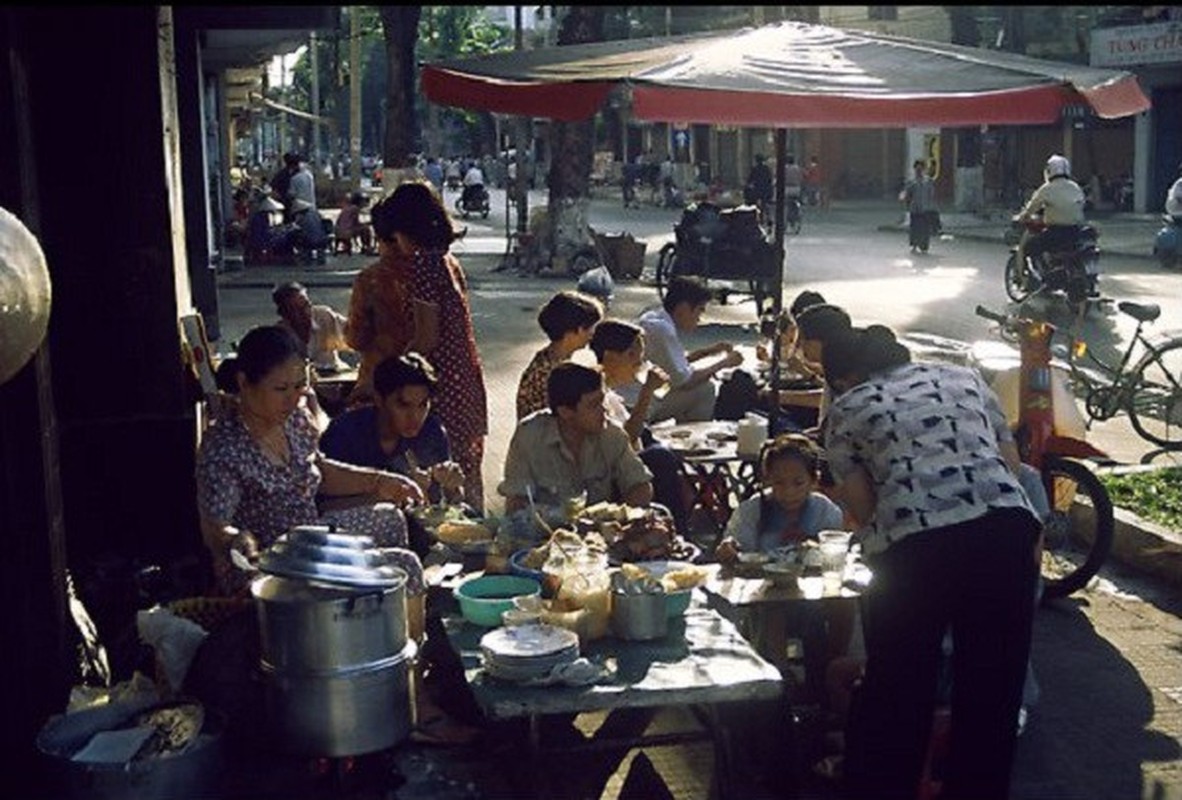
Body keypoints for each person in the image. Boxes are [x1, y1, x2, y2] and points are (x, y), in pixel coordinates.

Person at [820, 324, 1040, 800]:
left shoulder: (847, 408)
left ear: (845, 377)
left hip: (919, 550)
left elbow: (861, 506)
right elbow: (1012, 464)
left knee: (898, 691)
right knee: (991, 695)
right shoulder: (964, 378)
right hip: (1006, 534)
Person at [195, 325, 426, 607]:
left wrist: (381, 481)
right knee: (406, 567)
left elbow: (319, 470)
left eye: (299, 385)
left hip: (311, 539)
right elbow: (214, 528)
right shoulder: (224, 448)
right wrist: (236, 539)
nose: (293, 398)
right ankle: (396, 638)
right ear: (244, 382)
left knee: (391, 519)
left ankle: (378, 614)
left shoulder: (295, 419)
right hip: (271, 566)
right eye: (281, 388)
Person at [714, 432, 849, 700]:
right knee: (772, 606)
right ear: (766, 480)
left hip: (813, 596)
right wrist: (728, 550)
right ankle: (781, 678)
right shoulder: (753, 510)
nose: (788, 492)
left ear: (813, 481)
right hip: (766, 599)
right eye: (779, 483)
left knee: (844, 604)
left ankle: (832, 672)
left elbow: (834, 550)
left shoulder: (825, 511)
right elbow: (732, 546)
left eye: (798, 483)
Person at [384, 180, 489, 511]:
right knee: (469, 467)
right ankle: (478, 531)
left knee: (444, 472)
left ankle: (459, 537)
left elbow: (427, 338)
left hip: (444, 383)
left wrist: (395, 371)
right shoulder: (446, 259)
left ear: (405, 229)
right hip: (466, 378)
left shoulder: (424, 266)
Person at [500, 362, 653, 513]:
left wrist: (619, 516)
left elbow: (641, 486)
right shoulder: (529, 436)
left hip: (603, 532)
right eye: (594, 405)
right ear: (565, 412)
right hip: (546, 532)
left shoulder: (612, 434)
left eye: (602, 400)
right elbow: (516, 503)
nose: (604, 410)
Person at [321, 352, 464, 515]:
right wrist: (387, 494)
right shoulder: (345, 433)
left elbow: (453, 505)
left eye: (423, 405)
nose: (415, 417)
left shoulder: (431, 431)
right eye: (403, 405)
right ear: (379, 399)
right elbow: (322, 506)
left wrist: (452, 486)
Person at [588, 320, 692, 538]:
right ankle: (678, 534)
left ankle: (676, 529)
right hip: (607, 474)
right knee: (660, 458)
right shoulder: (595, 393)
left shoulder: (611, 391)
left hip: (626, 465)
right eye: (632, 355)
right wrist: (646, 393)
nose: (639, 362)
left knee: (657, 444)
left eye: (641, 355)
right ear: (609, 357)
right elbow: (624, 440)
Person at [636, 275, 743, 423]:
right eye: (699, 310)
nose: (699, 318)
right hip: (641, 402)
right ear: (684, 308)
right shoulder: (662, 330)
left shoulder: (654, 317)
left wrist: (708, 351)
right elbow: (684, 381)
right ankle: (694, 438)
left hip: (643, 390)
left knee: (702, 380)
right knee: (706, 388)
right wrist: (724, 364)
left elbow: (671, 366)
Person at [516, 290, 605, 420]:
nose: (593, 334)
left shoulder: (556, 359)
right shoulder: (547, 372)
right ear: (579, 329)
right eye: (591, 328)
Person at [1015, 153, 1087, 269]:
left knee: (1028, 247)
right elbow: (1081, 204)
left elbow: (1032, 207)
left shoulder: (1047, 188)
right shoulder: (1075, 187)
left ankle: (1042, 274)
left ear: (1049, 170)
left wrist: (1023, 217)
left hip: (1056, 232)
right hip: (1075, 231)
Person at [272, 281, 351, 373]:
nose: (305, 312)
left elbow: (355, 332)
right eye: (295, 310)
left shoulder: (324, 316)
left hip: (336, 374)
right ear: (283, 313)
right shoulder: (281, 335)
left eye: (306, 305)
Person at [901, 159, 938, 254]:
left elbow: (932, 195)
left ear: (924, 169)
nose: (919, 171)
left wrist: (933, 207)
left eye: (921, 169)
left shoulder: (928, 181)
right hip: (915, 209)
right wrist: (906, 203)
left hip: (926, 208)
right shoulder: (911, 182)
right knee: (915, 227)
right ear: (914, 169)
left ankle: (924, 246)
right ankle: (914, 244)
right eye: (917, 169)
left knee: (925, 228)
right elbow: (906, 195)